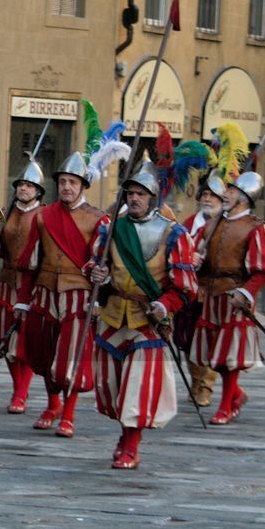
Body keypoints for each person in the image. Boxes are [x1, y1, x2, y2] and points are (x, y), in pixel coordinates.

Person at [86, 164, 197, 469]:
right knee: (114, 385)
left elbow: (186, 286)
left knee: (138, 385)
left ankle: (130, 444)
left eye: (141, 194)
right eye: (130, 193)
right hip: (112, 316)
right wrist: (99, 275)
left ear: (153, 197)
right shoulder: (111, 229)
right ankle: (125, 433)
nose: (134, 198)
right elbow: (94, 265)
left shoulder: (173, 233)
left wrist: (165, 304)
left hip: (148, 320)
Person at [15, 152, 110, 438]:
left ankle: (68, 414)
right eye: (63, 182)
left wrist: (99, 295)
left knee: (71, 356)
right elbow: (29, 261)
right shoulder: (44, 216)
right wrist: (22, 297)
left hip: (78, 295)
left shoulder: (97, 219)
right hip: (44, 294)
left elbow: (102, 261)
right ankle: (52, 404)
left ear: (83, 186)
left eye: (73, 182)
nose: (67, 187)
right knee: (45, 352)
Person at [190, 171, 265, 425]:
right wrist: (196, 259)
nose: (225, 194)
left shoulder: (256, 227)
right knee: (213, 357)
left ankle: (226, 406)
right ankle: (236, 395)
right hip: (211, 296)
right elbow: (198, 253)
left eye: (231, 191)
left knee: (230, 358)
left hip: (235, 297)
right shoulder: (214, 223)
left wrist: (245, 293)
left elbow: (263, 270)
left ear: (244, 196)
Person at [0, 158, 46, 415]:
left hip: (33, 286)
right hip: (6, 283)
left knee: (23, 341)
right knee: (6, 341)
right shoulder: (6, 214)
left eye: (28, 185)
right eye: (20, 185)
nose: (23, 189)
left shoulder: (44, 216)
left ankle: (21, 394)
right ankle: (18, 389)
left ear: (38, 190)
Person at [176, 176, 226, 407]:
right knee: (187, 340)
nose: (207, 199)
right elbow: (173, 249)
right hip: (189, 290)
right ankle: (196, 382)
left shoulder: (226, 227)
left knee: (208, 341)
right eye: (204, 195)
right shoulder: (187, 224)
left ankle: (205, 386)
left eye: (212, 195)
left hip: (214, 291)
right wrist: (188, 257)